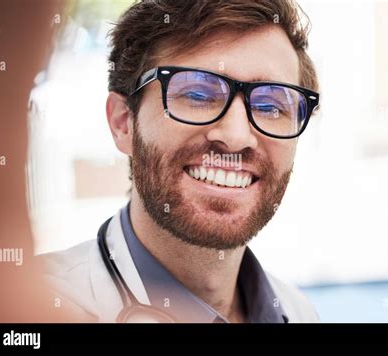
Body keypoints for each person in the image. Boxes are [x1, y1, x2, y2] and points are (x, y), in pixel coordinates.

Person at [40, 0, 321, 323]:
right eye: (198, 95)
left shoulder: (298, 312)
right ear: (123, 123)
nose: (236, 136)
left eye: (271, 105)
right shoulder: (31, 306)